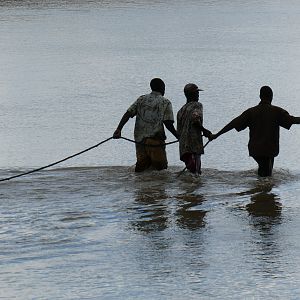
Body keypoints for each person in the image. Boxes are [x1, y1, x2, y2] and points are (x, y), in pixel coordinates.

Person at [210, 86, 300, 177]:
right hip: (270, 149)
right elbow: (293, 120)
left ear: (260, 96)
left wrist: (217, 135)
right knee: (266, 175)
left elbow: (233, 123)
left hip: (255, 150)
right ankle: (262, 190)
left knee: (265, 174)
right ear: (272, 97)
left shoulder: (251, 112)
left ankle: (261, 189)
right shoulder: (277, 112)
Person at [113, 78, 178, 172]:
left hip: (140, 141)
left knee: (141, 170)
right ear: (162, 88)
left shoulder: (141, 99)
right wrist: (178, 136)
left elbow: (128, 113)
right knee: (161, 171)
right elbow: (168, 123)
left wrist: (119, 129)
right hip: (155, 141)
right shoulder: (165, 102)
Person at [177, 83, 212, 175]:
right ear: (191, 94)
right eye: (196, 93)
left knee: (191, 172)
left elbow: (179, 131)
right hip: (193, 146)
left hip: (183, 148)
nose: (198, 95)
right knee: (196, 173)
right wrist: (205, 131)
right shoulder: (197, 105)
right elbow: (195, 119)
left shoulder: (181, 110)